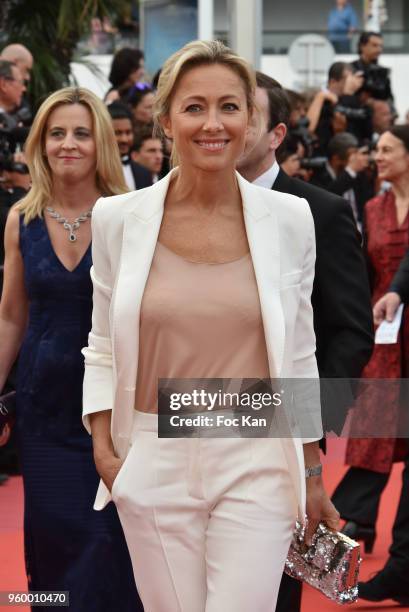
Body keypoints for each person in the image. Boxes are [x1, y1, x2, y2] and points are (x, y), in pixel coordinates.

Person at [82, 40, 339, 612]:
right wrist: (106, 452)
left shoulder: (291, 219)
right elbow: (101, 344)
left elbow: (298, 353)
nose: (213, 123)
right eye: (194, 107)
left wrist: (313, 471)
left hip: (257, 454)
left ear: (251, 118)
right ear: (167, 119)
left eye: (229, 106)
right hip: (152, 452)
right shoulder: (118, 219)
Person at [0, 86, 143, 611]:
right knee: (54, 540)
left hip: (113, 408)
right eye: (57, 133)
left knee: (110, 541)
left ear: (100, 142)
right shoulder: (22, 219)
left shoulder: (127, 215)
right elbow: (13, 313)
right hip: (44, 408)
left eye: (81, 133)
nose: (68, 144)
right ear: (40, 142)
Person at [236, 71, 374, 612]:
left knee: (267, 586)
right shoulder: (174, 209)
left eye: (243, 111)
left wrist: (305, 431)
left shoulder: (320, 210)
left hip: (280, 431)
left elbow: (349, 331)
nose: (225, 123)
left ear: (276, 133)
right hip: (191, 415)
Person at [332, 125, 409, 605]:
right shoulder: (374, 208)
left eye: (387, 149)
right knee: (374, 435)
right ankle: (348, 521)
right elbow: (365, 270)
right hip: (386, 336)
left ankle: (376, 539)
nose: (376, 156)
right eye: (374, 149)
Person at [310, 132, 372, 230]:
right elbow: (327, 199)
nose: (355, 160)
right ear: (336, 159)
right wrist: (350, 171)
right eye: (351, 156)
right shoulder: (318, 177)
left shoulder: (357, 174)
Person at [107, 101, 152, 190]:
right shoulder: (94, 172)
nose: (124, 139)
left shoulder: (144, 174)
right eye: (117, 133)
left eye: (128, 132)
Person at [352, 31, 393, 102]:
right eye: (374, 45)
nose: (379, 50)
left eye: (381, 46)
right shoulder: (351, 69)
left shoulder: (382, 72)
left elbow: (389, 99)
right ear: (362, 46)